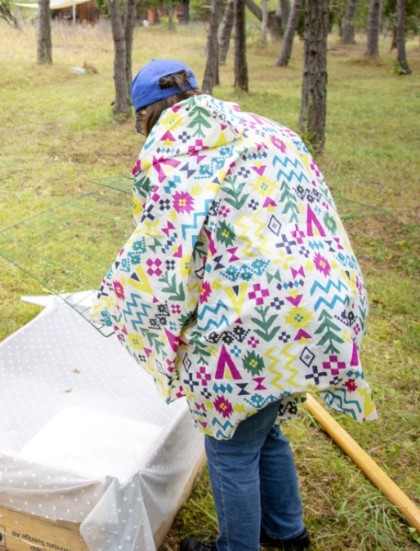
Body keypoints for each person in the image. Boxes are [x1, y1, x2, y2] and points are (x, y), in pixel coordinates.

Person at [91, 59, 377, 551]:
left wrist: (124, 307)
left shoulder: (172, 148)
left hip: (257, 318)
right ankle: (287, 534)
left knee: (230, 448)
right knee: (262, 428)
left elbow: (164, 255)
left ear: (147, 115)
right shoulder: (262, 128)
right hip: (327, 301)